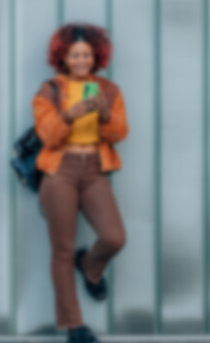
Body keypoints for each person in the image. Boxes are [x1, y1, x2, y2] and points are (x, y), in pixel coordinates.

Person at [32, 23, 128, 343]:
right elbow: (48, 135)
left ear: (96, 56)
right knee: (62, 248)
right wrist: (71, 114)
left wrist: (102, 114)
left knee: (114, 236)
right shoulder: (51, 91)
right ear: (64, 57)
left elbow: (119, 133)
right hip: (59, 170)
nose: (81, 60)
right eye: (75, 54)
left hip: (93, 169)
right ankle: (73, 326)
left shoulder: (107, 90)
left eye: (87, 54)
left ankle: (89, 267)